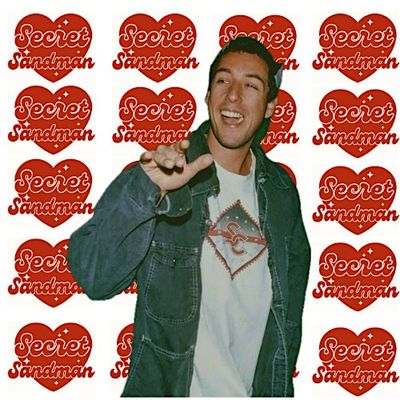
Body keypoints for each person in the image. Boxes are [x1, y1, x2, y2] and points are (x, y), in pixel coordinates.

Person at [68, 36, 311, 397]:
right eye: (223, 81)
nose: (233, 96)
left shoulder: (281, 194)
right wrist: (147, 191)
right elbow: (94, 277)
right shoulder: (163, 175)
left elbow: (287, 323)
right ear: (208, 95)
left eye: (251, 86)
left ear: (270, 107)